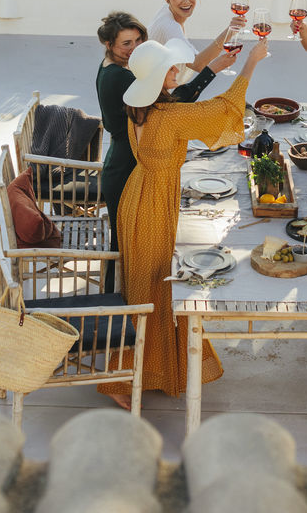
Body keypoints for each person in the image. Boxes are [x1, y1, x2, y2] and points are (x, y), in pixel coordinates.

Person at [105, 34, 269, 404]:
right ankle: (124, 381)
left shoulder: (142, 109)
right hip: (151, 204)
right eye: (170, 67)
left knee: (151, 288)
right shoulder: (169, 115)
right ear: (158, 78)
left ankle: (159, 369)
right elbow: (223, 109)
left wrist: (216, 67)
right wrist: (252, 62)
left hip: (140, 194)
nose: (177, 69)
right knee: (151, 290)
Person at [95, 11, 235, 289]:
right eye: (126, 43)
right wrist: (212, 71)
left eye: (138, 40)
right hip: (127, 167)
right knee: (125, 245)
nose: (134, 48)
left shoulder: (116, 68)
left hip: (125, 159)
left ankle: (121, 297)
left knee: (124, 243)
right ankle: (118, 302)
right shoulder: (120, 79)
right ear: (109, 45)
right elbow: (173, 105)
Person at [149, 0, 239, 79]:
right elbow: (198, 65)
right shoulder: (170, 26)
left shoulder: (167, 10)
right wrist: (229, 31)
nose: (186, 1)